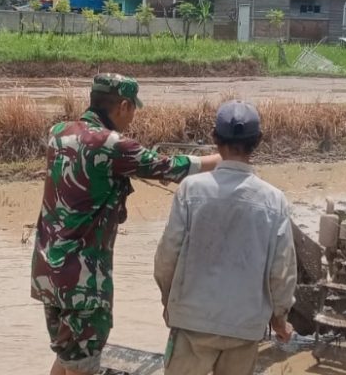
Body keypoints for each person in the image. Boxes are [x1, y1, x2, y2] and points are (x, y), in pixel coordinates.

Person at [31, 74, 221, 375]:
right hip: (83, 279)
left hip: (48, 271)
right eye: (133, 109)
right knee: (83, 365)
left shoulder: (58, 133)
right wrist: (220, 159)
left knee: (69, 355)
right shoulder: (111, 144)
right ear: (122, 105)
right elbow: (167, 167)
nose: (132, 118)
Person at [154, 100, 298, 375]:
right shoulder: (274, 200)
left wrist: (168, 300)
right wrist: (279, 318)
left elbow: (167, 257)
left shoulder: (190, 189)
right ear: (257, 142)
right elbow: (282, 271)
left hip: (192, 321)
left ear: (215, 138)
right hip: (245, 326)